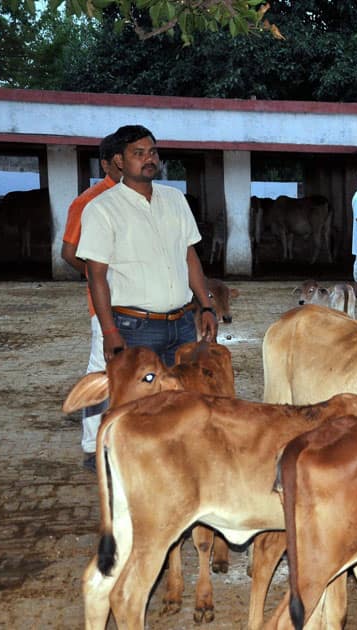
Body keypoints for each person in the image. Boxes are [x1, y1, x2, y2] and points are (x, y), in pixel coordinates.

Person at [75, 124, 217, 366]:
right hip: (134, 328)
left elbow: (189, 255)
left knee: (176, 399)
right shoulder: (102, 209)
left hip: (182, 324)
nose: (148, 159)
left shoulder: (175, 199)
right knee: (134, 401)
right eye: (138, 153)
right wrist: (109, 331)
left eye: (153, 152)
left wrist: (206, 306)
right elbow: (96, 276)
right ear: (119, 160)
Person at [61, 132, 122, 471]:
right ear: (107, 163)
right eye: (122, 158)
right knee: (102, 368)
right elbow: (69, 253)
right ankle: (90, 444)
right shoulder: (88, 201)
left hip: (140, 302)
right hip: (105, 302)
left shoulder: (139, 197)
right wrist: (101, 278)